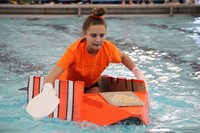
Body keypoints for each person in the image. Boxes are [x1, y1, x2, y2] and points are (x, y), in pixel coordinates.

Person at [44, 7, 145, 93]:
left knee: (96, 98)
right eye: (93, 35)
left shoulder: (108, 48)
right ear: (84, 34)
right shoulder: (74, 51)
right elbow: (50, 78)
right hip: (68, 87)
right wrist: (47, 90)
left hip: (90, 85)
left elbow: (123, 57)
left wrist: (137, 71)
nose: (98, 39)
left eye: (102, 35)